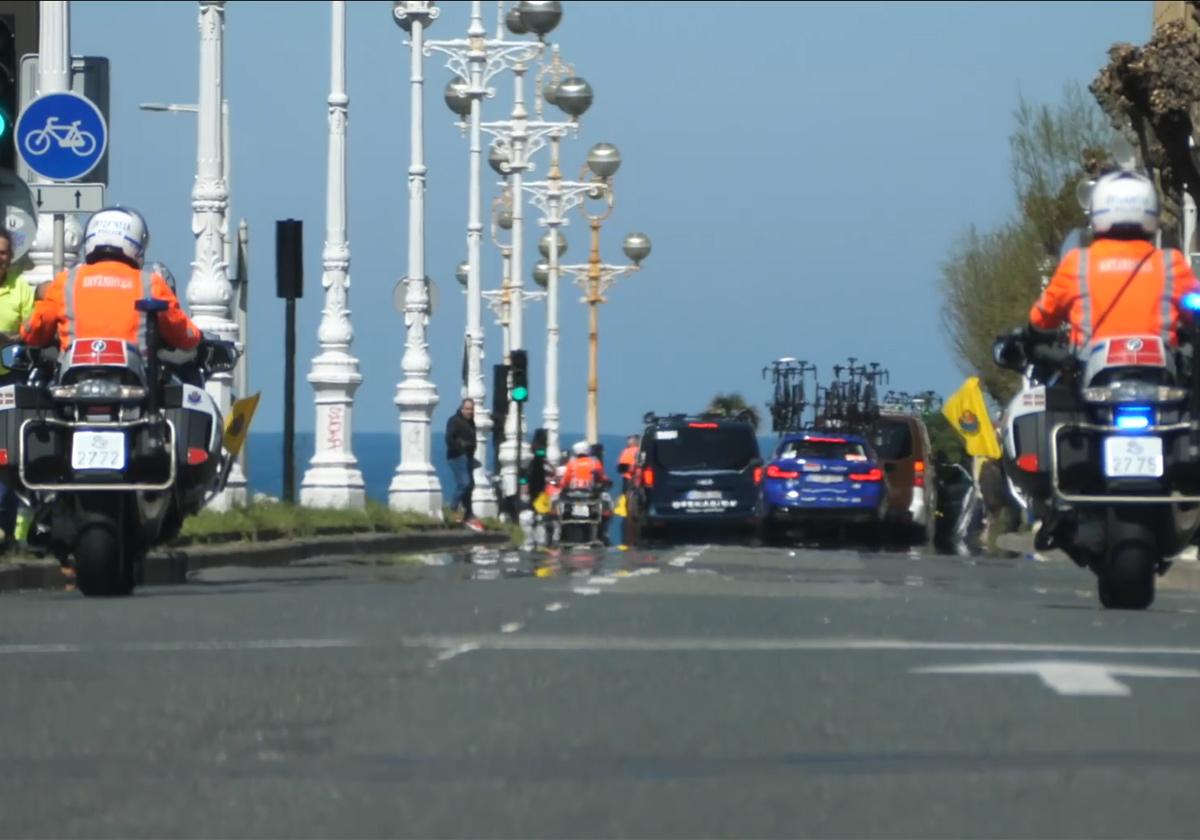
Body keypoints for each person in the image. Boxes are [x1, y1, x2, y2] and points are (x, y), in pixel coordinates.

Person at [1027, 170, 1200, 350]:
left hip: (1092, 372)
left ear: (1096, 209)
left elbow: (1040, 318)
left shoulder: (1078, 264)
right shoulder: (1170, 264)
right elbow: (1196, 309)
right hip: (1162, 373)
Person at [20, 207, 202, 356]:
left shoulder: (66, 281)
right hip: (134, 383)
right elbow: (182, 333)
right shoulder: (150, 283)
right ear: (137, 243)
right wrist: (198, 337)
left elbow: (34, 331)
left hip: (74, 382)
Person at [0, 230, 35, 549]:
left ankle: (6, 528)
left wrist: (9, 339)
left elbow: (32, 333)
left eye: (3, 253)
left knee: (6, 455)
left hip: (9, 380)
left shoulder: (21, 290)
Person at [444, 398, 483, 531]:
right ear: (462, 409)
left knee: (470, 486)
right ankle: (453, 509)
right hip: (457, 456)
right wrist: (460, 447)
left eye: (471, 409)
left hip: (468, 458)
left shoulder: (471, 423)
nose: (469, 411)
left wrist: (471, 455)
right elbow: (449, 438)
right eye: (467, 409)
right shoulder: (454, 421)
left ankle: (468, 514)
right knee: (464, 483)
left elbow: (472, 441)